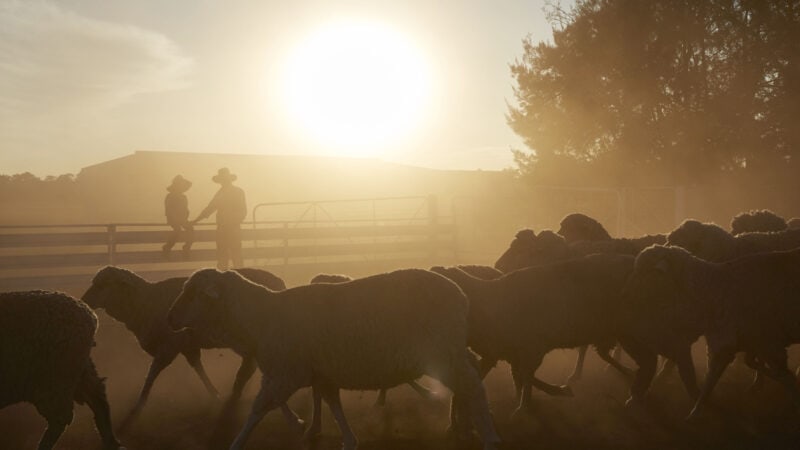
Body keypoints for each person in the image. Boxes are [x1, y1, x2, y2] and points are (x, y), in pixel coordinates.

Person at [192, 167, 247, 270]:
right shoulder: (235, 191)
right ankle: (237, 276)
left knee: (228, 254)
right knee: (230, 254)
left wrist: (196, 220)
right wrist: (196, 220)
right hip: (229, 228)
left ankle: (226, 277)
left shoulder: (223, 193)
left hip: (228, 228)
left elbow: (210, 208)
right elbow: (210, 208)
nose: (223, 182)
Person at [162, 175, 194, 259]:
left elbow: (186, 209)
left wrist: (185, 218)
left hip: (182, 219)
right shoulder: (170, 196)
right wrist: (175, 218)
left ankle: (186, 248)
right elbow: (168, 209)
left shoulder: (184, 197)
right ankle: (167, 247)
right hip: (173, 218)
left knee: (191, 229)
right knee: (177, 230)